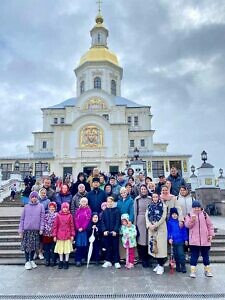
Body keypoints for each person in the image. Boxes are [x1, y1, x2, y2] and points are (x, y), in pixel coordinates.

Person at [185, 200, 215, 278]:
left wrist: (211, 234)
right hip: (194, 241)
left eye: (198, 207)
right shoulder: (189, 215)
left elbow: (210, 225)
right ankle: (193, 272)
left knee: (206, 256)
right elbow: (187, 225)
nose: (197, 209)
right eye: (195, 207)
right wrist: (192, 220)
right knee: (194, 256)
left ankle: (207, 271)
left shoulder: (205, 214)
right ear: (193, 208)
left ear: (200, 207)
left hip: (205, 240)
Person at [18, 191, 45, 270]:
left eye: (35, 197)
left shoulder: (41, 206)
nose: (34, 198)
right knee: (27, 246)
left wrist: (41, 228)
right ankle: (27, 261)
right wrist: (21, 230)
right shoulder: (26, 206)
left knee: (34, 246)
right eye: (33, 197)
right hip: (27, 230)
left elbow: (42, 218)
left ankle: (31, 260)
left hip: (35, 230)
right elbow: (22, 219)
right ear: (30, 198)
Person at [146, 193, 167, 275]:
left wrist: (155, 225)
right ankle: (158, 264)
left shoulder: (163, 206)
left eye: (156, 197)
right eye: (153, 197)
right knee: (154, 247)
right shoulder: (149, 206)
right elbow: (146, 216)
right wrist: (149, 225)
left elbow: (163, 217)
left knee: (161, 248)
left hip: (160, 228)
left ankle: (161, 265)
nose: (155, 198)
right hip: (151, 229)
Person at [134, 184, 152, 268]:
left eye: (145, 189)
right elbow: (135, 212)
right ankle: (143, 259)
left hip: (149, 220)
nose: (143, 190)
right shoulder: (137, 199)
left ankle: (149, 259)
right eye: (142, 189)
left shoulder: (150, 199)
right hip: (140, 220)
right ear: (140, 190)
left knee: (149, 240)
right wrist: (135, 224)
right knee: (142, 241)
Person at [53, 202, 75, 269]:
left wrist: (72, 235)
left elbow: (72, 226)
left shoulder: (70, 216)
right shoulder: (58, 215)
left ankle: (66, 261)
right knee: (60, 249)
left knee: (67, 249)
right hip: (60, 235)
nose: (65, 209)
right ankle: (61, 261)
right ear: (62, 208)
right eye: (64, 208)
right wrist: (54, 235)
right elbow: (55, 226)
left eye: (66, 208)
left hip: (67, 235)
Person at [101, 196, 121, 269]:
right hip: (107, 233)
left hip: (114, 233)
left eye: (111, 201)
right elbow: (102, 222)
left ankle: (116, 261)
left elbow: (117, 221)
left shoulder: (116, 210)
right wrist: (104, 230)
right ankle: (108, 261)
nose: (109, 203)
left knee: (115, 247)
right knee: (108, 247)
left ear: (113, 202)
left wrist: (115, 230)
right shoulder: (104, 211)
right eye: (108, 202)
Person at [167, 207, 188, 273]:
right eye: (173, 214)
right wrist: (169, 238)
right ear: (171, 215)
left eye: (175, 214)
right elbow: (169, 231)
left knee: (181, 254)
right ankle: (178, 265)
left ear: (177, 215)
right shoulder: (169, 222)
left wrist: (186, 239)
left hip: (180, 241)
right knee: (175, 254)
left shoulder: (180, 222)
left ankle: (183, 266)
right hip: (173, 241)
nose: (174, 215)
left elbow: (184, 231)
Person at [74, 197, 92, 267]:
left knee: (84, 244)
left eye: (85, 202)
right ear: (80, 203)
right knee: (78, 245)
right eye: (82, 202)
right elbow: (75, 219)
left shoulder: (88, 210)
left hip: (84, 230)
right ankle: (78, 260)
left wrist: (83, 227)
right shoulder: (78, 210)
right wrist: (78, 227)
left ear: (86, 203)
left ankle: (83, 257)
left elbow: (88, 220)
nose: (83, 203)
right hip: (78, 231)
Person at [42, 202, 58, 266]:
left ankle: (53, 260)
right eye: (50, 207)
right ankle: (47, 260)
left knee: (53, 248)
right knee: (46, 248)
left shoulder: (57, 215)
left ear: (55, 208)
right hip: (46, 234)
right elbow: (44, 223)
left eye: (53, 207)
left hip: (53, 234)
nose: (52, 208)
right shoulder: (46, 215)